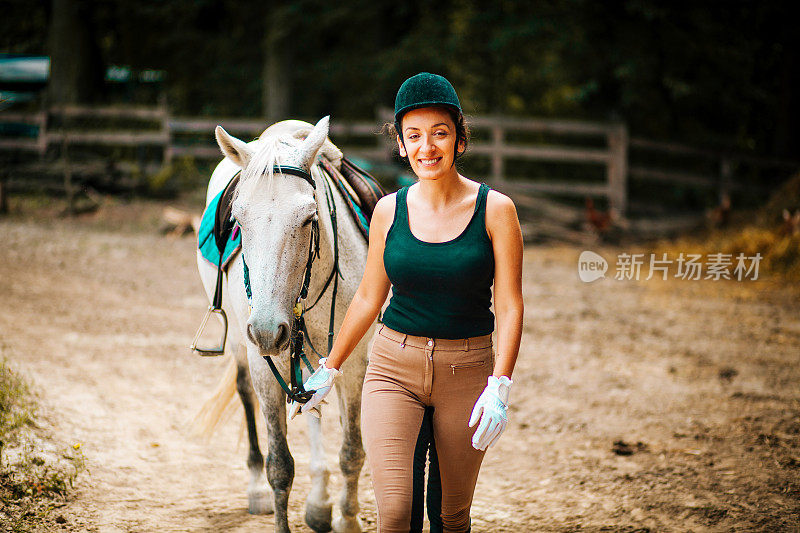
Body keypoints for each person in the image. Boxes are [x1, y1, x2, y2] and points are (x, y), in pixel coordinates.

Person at [291, 72, 524, 532]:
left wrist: (500, 384)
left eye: (439, 133)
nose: (426, 147)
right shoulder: (387, 211)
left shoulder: (497, 210)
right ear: (400, 144)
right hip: (393, 368)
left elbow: (512, 304)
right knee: (395, 516)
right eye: (413, 136)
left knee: (452, 518)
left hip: (468, 370)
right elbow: (367, 297)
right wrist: (330, 366)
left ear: (459, 139)